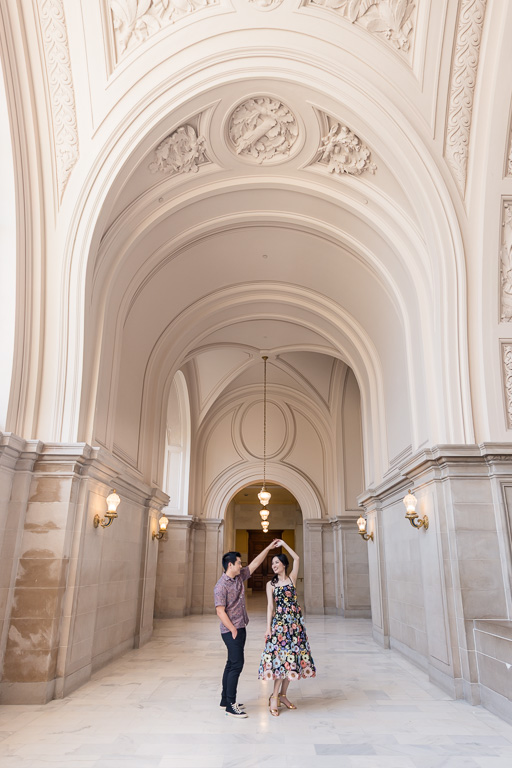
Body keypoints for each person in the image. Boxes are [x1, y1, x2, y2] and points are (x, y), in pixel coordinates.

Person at [214, 538, 280, 718]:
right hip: (231, 630)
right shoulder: (221, 586)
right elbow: (220, 612)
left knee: (230, 664)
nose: (241, 565)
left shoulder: (238, 576)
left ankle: (224, 700)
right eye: (238, 563)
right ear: (230, 565)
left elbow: (255, 563)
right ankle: (231, 705)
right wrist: (233, 630)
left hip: (240, 627)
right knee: (236, 665)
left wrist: (267, 547)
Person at [258, 539, 316, 716]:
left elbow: (297, 558)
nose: (274, 565)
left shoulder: (291, 579)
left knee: (291, 662)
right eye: (272, 563)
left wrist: (283, 543)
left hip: (295, 626)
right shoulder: (271, 584)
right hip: (280, 628)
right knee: (281, 663)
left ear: (283, 564)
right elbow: (270, 607)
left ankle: (283, 695)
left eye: (277, 562)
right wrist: (268, 628)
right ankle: (274, 697)